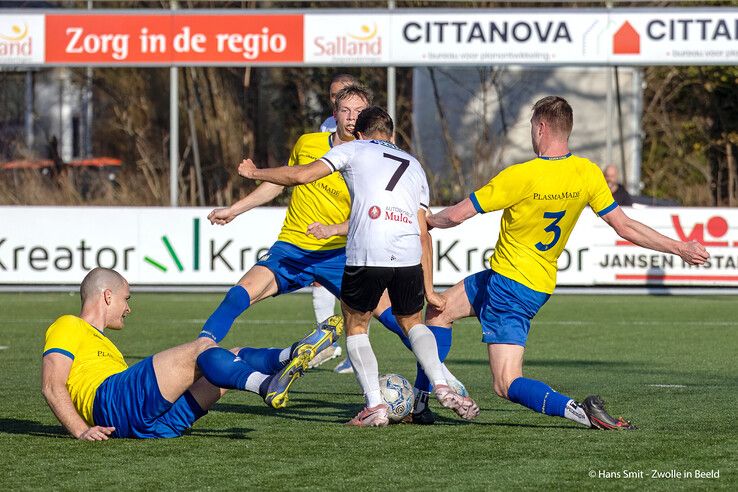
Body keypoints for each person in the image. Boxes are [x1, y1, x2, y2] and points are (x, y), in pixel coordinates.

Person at [424, 96, 709, 430]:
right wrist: (680, 248)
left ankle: (580, 412)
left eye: (532, 127)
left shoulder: (521, 175)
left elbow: (456, 215)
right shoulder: (587, 173)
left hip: (509, 287)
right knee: (439, 309)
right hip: (531, 282)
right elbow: (626, 226)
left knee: (505, 383)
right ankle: (422, 397)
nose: (532, 133)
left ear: (541, 127)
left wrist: (425, 221)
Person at [206, 86, 465, 422]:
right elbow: (284, 181)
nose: (351, 115)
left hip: (342, 255)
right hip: (294, 246)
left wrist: (332, 230)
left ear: (366, 117)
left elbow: (372, 212)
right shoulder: (310, 144)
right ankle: (201, 347)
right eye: (345, 109)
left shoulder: (370, 158)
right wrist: (236, 209)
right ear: (335, 112)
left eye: (358, 110)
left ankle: (439, 378)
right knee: (239, 294)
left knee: (393, 319)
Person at [41, 268, 341, 440]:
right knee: (202, 349)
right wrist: (80, 431)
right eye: (125, 299)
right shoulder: (68, 324)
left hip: (143, 425)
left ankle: (289, 355)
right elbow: (52, 386)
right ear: (107, 296)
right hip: (110, 400)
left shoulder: (109, 348)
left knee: (227, 356)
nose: (128, 308)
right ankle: (265, 384)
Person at [311, 73, 358, 371]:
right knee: (321, 279)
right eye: (332, 96)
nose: (335, 100)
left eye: (340, 94)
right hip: (332, 209)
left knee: (361, 296)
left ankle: (354, 356)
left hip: (358, 211)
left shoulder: (369, 127)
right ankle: (327, 343)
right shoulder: (327, 127)